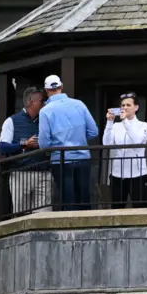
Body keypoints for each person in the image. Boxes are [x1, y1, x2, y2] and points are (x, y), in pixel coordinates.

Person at [38, 75, 99, 211]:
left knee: (67, 201)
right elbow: (94, 131)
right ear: (62, 86)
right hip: (83, 157)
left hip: (60, 160)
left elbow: (43, 144)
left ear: (46, 90)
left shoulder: (45, 111)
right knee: (84, 199)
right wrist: (80, 139)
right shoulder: (79, 104)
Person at [0, 87, 51, 214]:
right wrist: (25, 144)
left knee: (44, 216)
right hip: (20, 174)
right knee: (22, 216)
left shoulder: (46, 121)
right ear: (31, 102)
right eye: (42, 100)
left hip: (44, 173)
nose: (44, 103)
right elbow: (2, 147)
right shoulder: (11, 121)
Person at [103, 92, 147, 208]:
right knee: (117, 207)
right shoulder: (116, 126)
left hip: (137, 173)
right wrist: (109, 122)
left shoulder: (143, 125)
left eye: (128, 105)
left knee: (140, 207)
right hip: (118, 173)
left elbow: (137, 141)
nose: (125, 108)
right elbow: (106, 143)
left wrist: (125, 122)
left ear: (136, 108)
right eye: (123, 105)